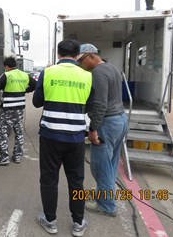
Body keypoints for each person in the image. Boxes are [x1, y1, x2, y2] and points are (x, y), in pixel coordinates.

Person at [33, 40, 92, 236]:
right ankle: (78, 223)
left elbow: (36, 102)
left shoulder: (48, 72)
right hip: (76, 137)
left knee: (49, 178)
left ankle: (50, 221)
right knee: (76, 179)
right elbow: (90, 105)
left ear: (58, 54)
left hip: (50, 135)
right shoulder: (86, 76)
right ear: (77, 56)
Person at [77, 43, 128, 217]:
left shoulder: (98, 72)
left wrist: (93, 129)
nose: (81, 65)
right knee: (111, 163)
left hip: (107, 122)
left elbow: (100, 104)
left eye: (82, 61)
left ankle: (106, 206)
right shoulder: (111, 68)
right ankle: (104, 194)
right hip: (120, 119)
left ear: (91, 56)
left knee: (100, 166)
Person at [0, 56, 36, 165]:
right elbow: (35, 85)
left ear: (6, 66)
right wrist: (25, 90)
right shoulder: (25, 75)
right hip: (20, 109)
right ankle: (17, 156)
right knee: (19, 132)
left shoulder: (7, 75)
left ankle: (4, 158)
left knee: (2, 132)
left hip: (8, 109)